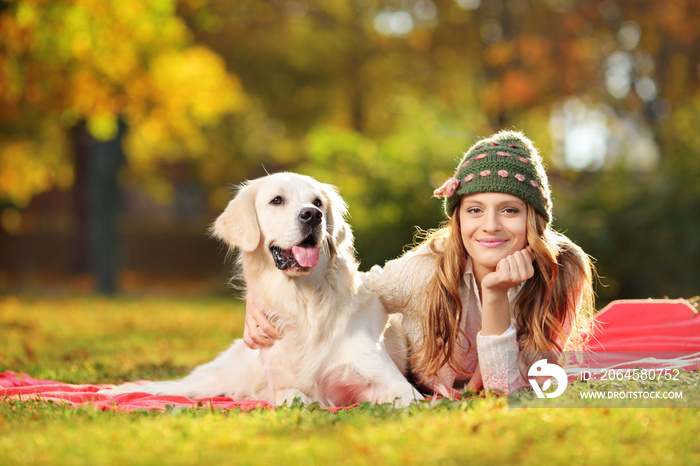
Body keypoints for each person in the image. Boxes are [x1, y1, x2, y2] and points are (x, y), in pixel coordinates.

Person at [244, 130, 596, 396]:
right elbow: (354, 291)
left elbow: (509, 391)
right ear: (457, 219)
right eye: (475, 210)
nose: (490, 225)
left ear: (534, 219)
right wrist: (257, 301)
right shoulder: (422, 272)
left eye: (510, 210)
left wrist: (495, 297)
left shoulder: (562, 272)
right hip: (414, 382)